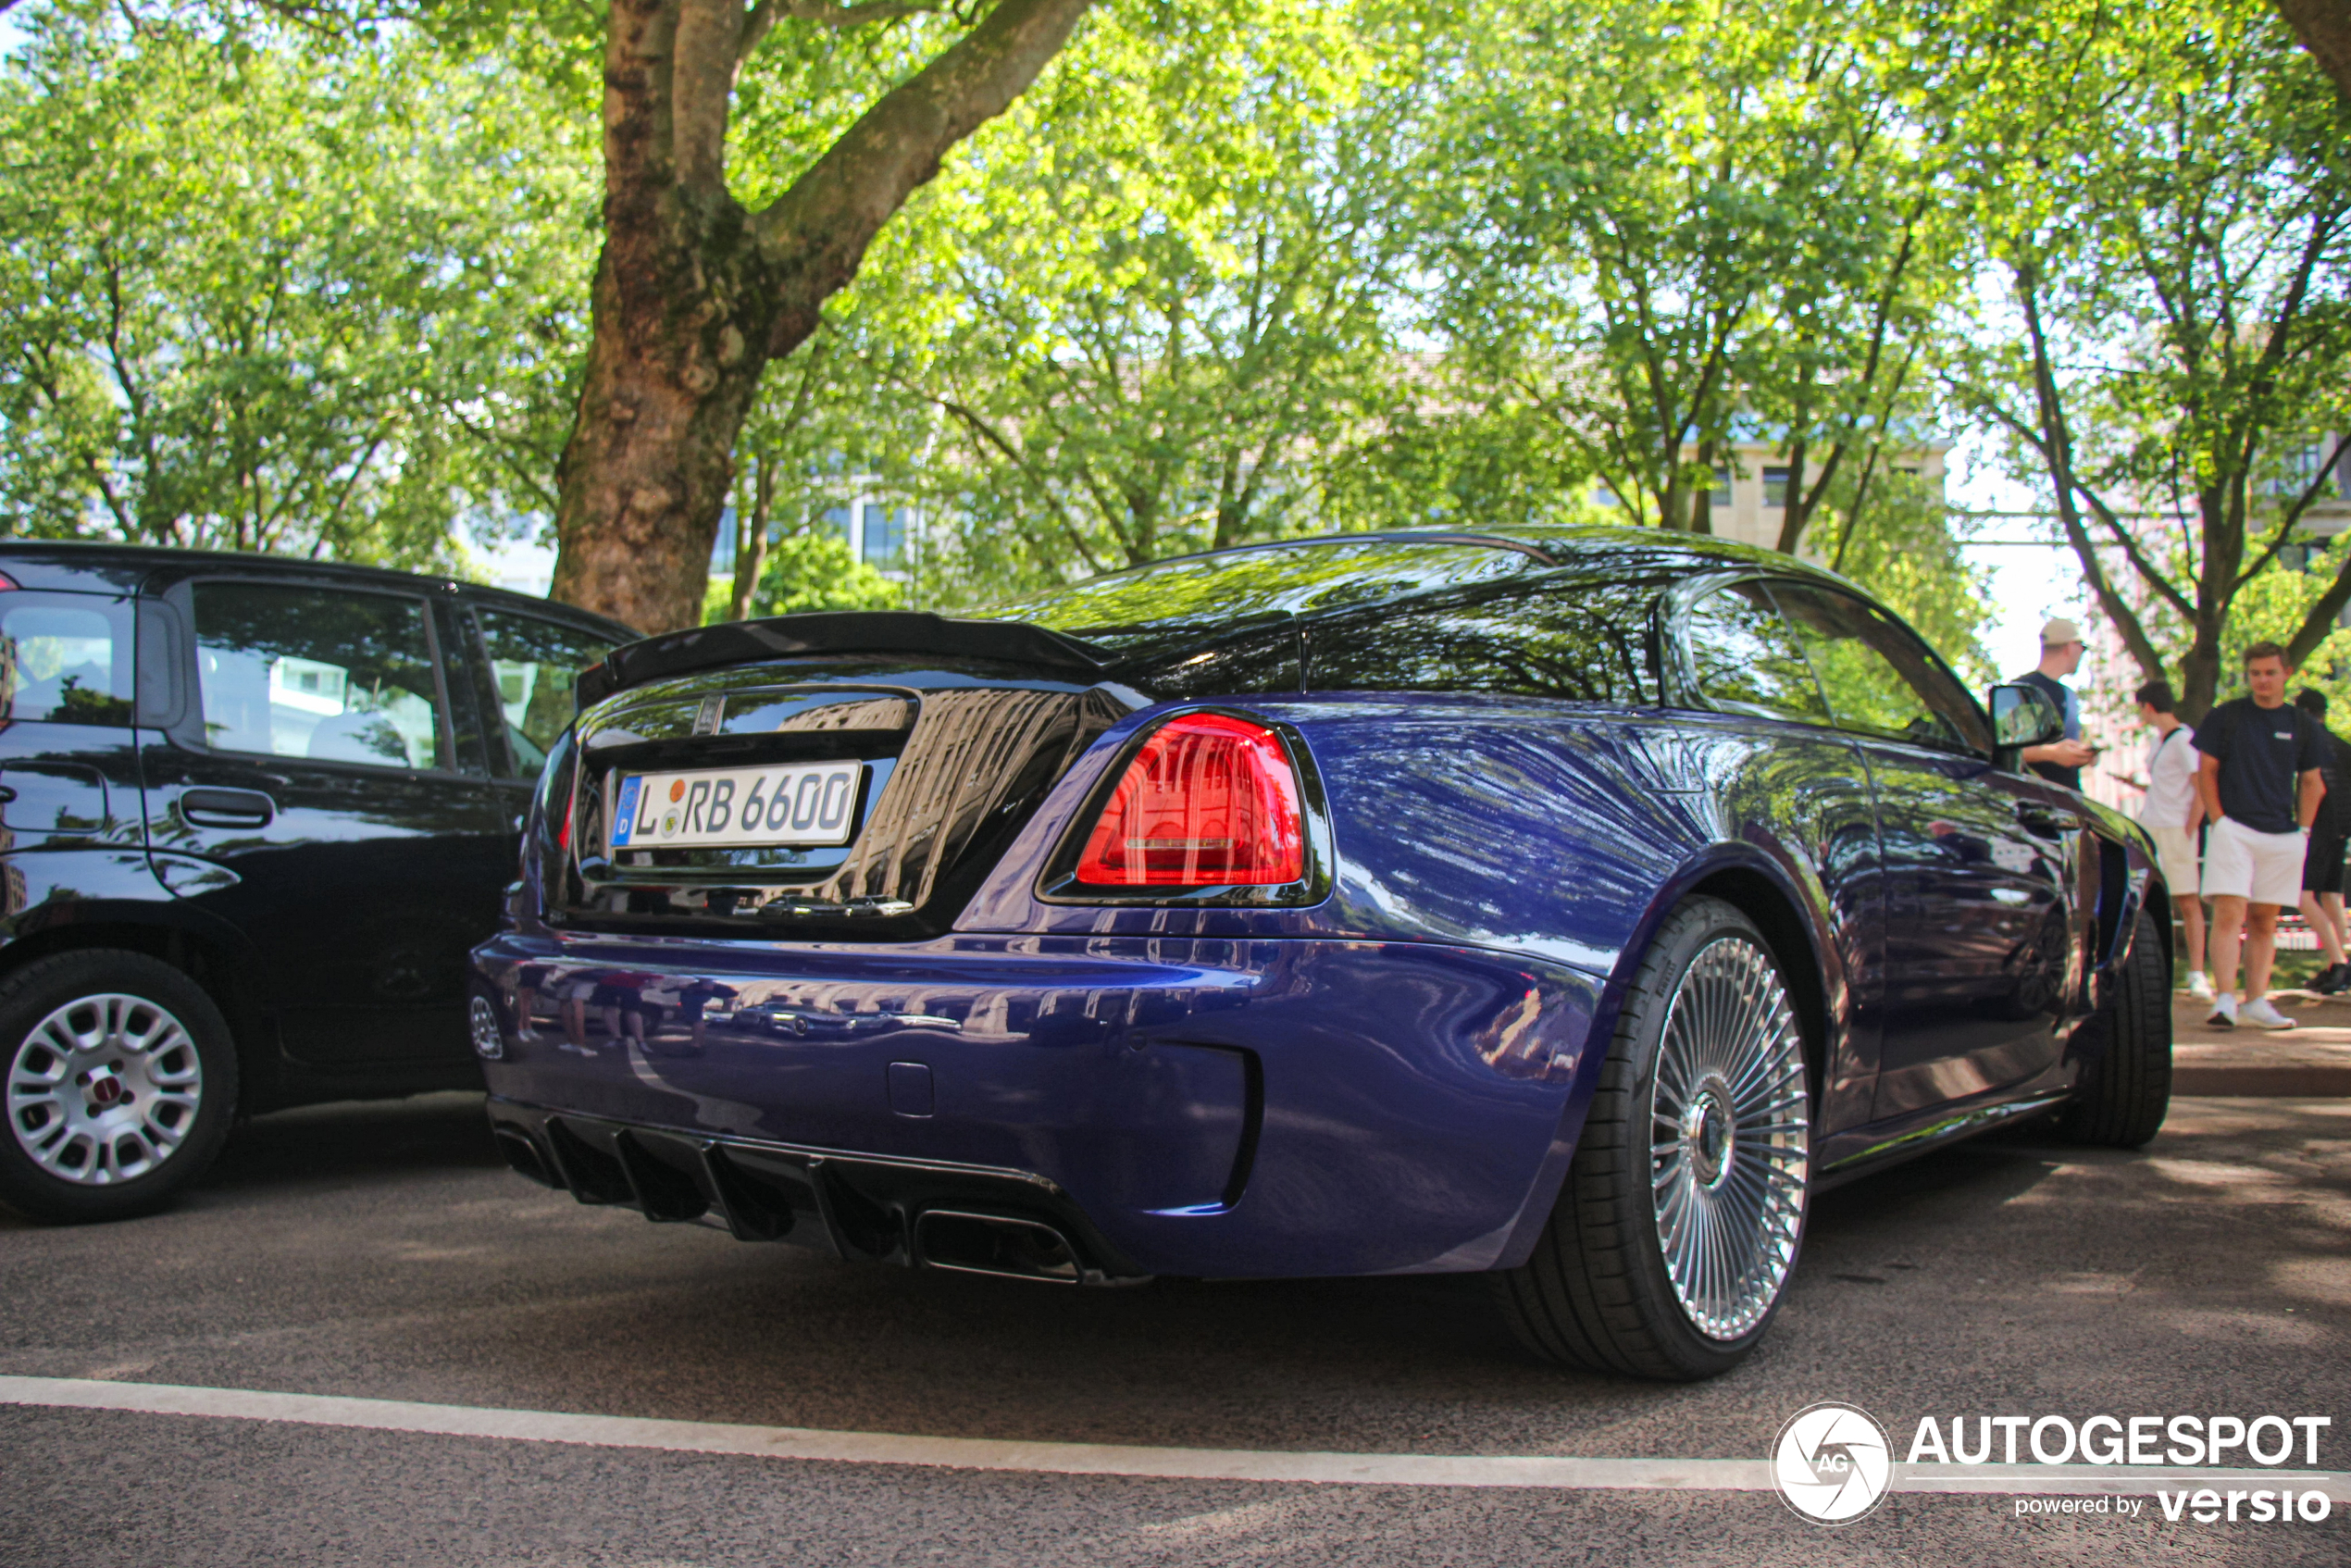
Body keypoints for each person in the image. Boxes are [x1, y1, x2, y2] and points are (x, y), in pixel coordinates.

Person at [2195, 642, 2329, 1029]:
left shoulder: (2302, 724)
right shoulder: (2227, 717)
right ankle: (2224, 999)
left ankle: (2256, 1000)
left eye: (2270, 672)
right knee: (2229, 911)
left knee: (2265, 920)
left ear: (2286, 673)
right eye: (2255, 673)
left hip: (2283, 834)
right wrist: (2219, 820)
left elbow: (2312, 782)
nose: (2263, 680)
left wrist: (2303, 831)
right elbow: (2206, 770)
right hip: (2234, 828)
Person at [2135, 679, 2211, 999]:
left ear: (2148, 707)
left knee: (2187, 899)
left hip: (2176, 828)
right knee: (2148, 897)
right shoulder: (2158, 742)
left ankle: (2197, 972)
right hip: (2151, 825)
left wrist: (2189, 828)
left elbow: (2201, 785)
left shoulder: (2185, 740)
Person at [2295, 688, 2351, 994]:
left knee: (2302, 894)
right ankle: (2340, 966)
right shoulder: (2342, 746)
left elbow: (2313, 785)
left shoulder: (2309, 744)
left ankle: (2338, 962)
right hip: (2341, 828)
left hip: (2318, 827)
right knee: (2331, 895)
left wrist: (2303, 826)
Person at [2015, 618, 2096, 787]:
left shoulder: (2070, 695)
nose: (2083, 654)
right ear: (2071, 646)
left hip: (2069, 795)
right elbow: (2005, 751)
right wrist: (2052, 754)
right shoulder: (2021, 690)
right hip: (2034, 797)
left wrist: (2082, 754)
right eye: (2083, 647)